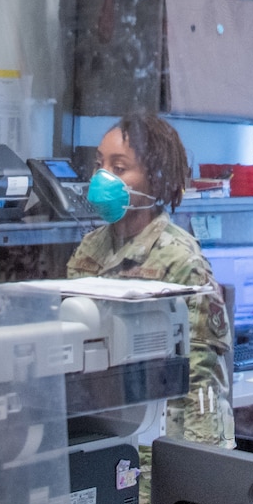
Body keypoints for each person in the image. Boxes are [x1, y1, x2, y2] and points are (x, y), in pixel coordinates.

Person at [68, 113, 233, 450]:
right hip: (102, 437)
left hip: (159, 448)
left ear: (155, 181)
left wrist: (193, 473)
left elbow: (200, 380)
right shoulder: (90, 250)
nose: (102, 178)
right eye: (100, 165)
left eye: (119, 167)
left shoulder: (181, 260)